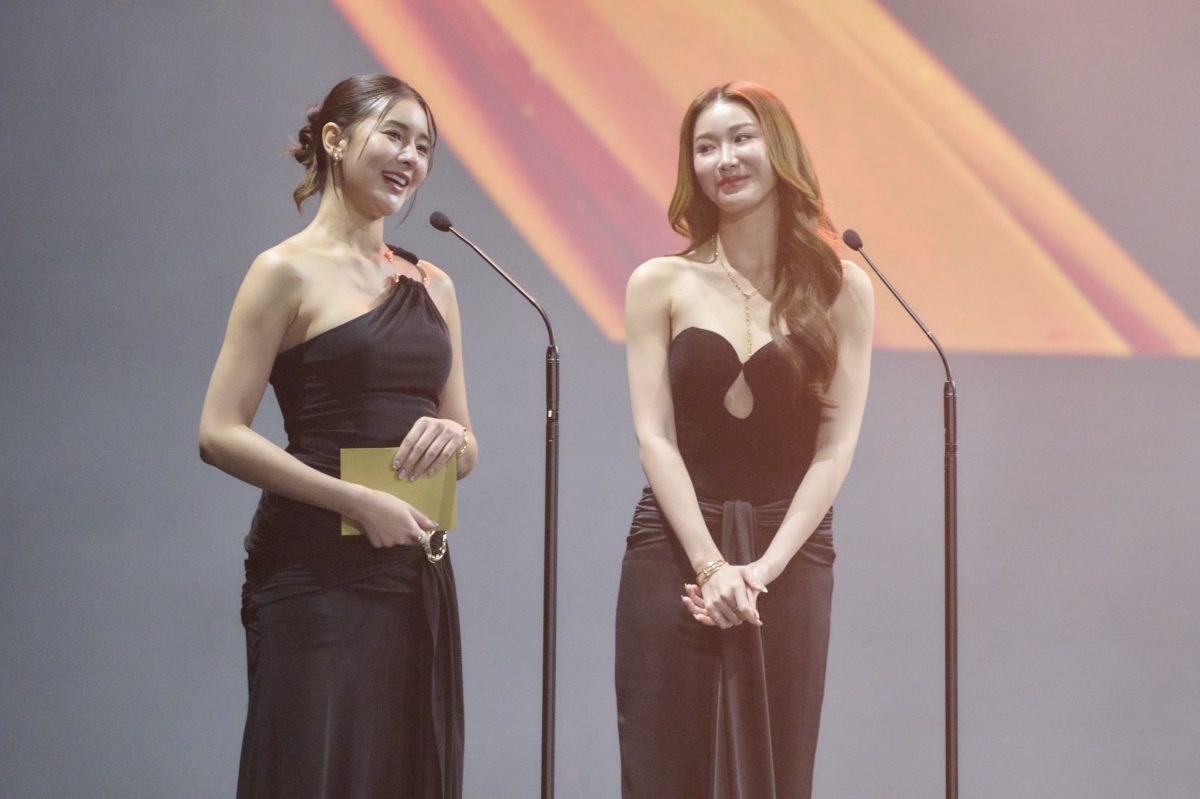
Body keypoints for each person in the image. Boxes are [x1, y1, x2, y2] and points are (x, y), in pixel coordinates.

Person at [198, 74, 475, 799]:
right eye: (395, 135)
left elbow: (466, 444)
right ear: (335, 139)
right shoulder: (283, 271)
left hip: (412, 570)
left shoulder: (434, 284)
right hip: (313, 573)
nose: (411, 157)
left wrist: (453, 439)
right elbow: (219, 432)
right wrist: (355, 499)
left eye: (424, 146)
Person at [614, 82, 874, 798]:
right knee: (664, 767)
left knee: (777, 771)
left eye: (741, 139)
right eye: (706, 147)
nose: (724, 158)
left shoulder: (844, 287)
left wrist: (761, 569)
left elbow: (835, 446)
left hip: (790, 555)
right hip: (673, 547)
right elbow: (654, 435)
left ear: (778, 150)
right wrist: (710, 566)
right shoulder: (660, 282)